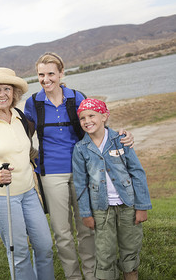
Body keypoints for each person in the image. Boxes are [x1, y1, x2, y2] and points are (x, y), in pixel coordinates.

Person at [23, 52, 135, 280]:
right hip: (51, 174)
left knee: (86, 227)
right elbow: (23, 137)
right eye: (41, 75)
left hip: (83, 170)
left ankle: (92, 275)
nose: (46, 79)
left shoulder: (76, 97)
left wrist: (122, 135)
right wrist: (33, 155)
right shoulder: (33, 102)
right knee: (62, 232)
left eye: (51, 74)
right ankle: (73, 276)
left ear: (61, 73)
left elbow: (96, 126)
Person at [0, 67, 54, 280]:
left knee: (44, 246)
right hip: (2, 197)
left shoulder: (19, 116)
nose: (1, 94)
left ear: (14, 93)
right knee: (19, 252)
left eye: (6, 88)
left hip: (28, 192)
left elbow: (27, 150)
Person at [72, 98, 151, 280]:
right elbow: (80, 183)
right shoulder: (81, 149)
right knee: (104, 250)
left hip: (128, 205)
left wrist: (142, 206)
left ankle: (130, 274)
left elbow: (137, 173)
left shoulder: (120, 140)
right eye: (82, 118)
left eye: (92, 115)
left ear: (104, 116)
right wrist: (86, 212)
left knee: (130, 246)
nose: (87, 121)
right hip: (101, 208)